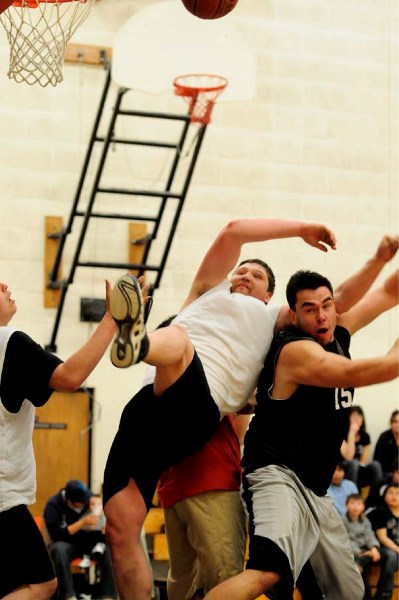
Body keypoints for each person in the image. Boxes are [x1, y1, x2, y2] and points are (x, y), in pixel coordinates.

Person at [103, 217, 399, 600]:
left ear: (269, 295)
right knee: (120, 528)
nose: (243, 274)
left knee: (177, 341)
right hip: (150, 409)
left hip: (199, 404)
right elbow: (233, 230)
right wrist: (300, 228)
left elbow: (337, 300)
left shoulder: (275, 319)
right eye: (240, 269)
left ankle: (138, 343)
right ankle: (136, 342)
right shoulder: (206, 292)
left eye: (256, 274)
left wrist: (376, 259)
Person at [202, 267, 399, 600]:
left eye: (327, 305)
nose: (321, 316)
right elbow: (359, 372)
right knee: (268, 571)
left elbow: (388, 293)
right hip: (277, 474)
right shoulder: (295, 351)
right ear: (294, 315)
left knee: (348, 594)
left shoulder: (338, 333)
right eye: (309, 309)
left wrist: (383, 256)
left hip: (316, 490)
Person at [0, 278, 117, 600]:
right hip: (2, 499)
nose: (5, 285)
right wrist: (111, 319)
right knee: (42, 585)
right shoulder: (8, 342)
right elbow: (70, 377)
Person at [44, 480, 117, 600]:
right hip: (69, 544)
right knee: (58, 548)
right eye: (82, 503)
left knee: (111, 548)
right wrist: (82, 523)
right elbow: (57, 535)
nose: (87, 504)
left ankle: (107, 595)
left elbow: (102, 508)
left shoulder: (88, 498)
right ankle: (68, 595)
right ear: (71, 502)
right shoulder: (53, 506)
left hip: (93, 542)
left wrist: (106, 524)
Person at [341, 493, 381, 600]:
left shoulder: (365, 520)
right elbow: (345, 540)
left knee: (372, 558)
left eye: (359, 504)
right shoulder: (342, 520)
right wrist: (359, 552)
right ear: (346, 505)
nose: (355, 507)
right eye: (352, 503)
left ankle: (359, 565)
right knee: (364, 574)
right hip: (351, 552)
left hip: (365, 554)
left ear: (363, 507)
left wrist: (373, 547)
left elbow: (370, 536)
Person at [368, 483, 399, 600]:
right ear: (384, 496)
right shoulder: (380, 512)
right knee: (392, 556)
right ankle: (384, 594)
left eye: (397, 493)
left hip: (395, 551)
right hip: (378, 549)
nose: (394, 496)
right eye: (390, 492)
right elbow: (383, 538)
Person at [340, 405, 383, 489]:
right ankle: (353, 495)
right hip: (344, 468)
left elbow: (364, 461)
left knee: (376, 465)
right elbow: (348, 457)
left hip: (359, 468)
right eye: (354, 415)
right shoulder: (341, 434)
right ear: (348, 418)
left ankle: (376, 495)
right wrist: (351, 433)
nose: (357, 418)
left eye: (359, 415)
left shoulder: (365, 436)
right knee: (354, 463)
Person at [373, 410, 399, 478]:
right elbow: (377, 458)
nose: (398, 425)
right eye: (395, 422)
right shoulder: (384, 436)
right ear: (391, 423)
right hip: (385, 472)